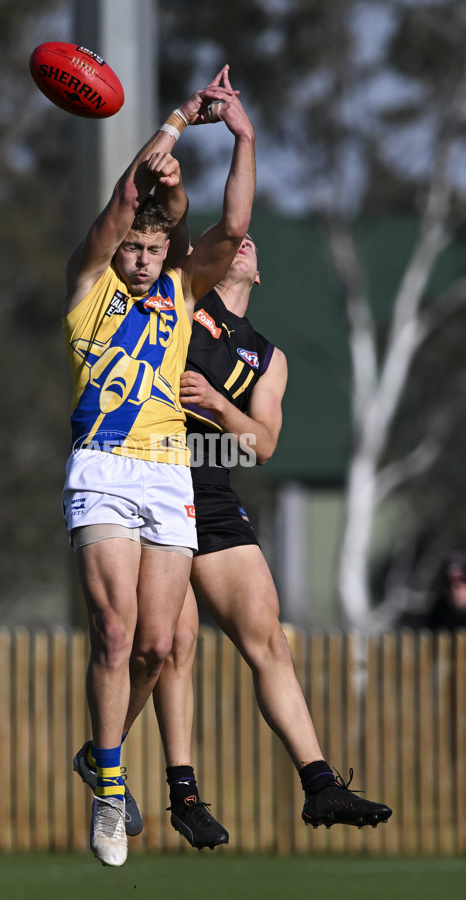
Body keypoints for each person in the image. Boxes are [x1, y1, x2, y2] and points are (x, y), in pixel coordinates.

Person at [75, 232, 393, 851]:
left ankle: (320, 783)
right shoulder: (178, 300)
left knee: (267, 638)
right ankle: (181, 791)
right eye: (231, 241)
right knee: (170, 644)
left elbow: (262, 444)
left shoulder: (268, 358)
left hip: (214, 490)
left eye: (251, 243)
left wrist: (220, 406)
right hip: (155, 476)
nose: (243, 242)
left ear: (261, 273)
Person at [63, 65, 256, 867]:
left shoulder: (181, 288)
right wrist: (178, 118)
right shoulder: (88, 287)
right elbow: (126, 195)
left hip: (168, 473)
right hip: (104, 468)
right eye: (132, 249)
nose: (141, 259)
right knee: (113, 633)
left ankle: (97, 753)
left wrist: (241, 135)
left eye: (151, 248)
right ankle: (112, 792)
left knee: (156, 644)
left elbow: (234, 225)